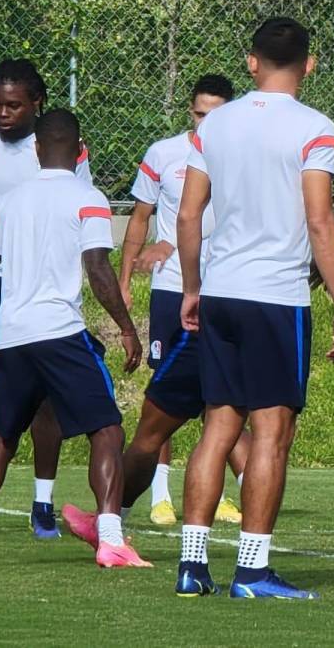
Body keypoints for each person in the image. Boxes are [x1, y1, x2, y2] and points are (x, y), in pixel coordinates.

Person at [173, 17, 334, 599]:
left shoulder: (215, 124)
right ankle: (251, 571)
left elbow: (187, 215)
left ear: (251, 63)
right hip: (275, 298)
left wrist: (193, 286)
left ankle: (191, 565)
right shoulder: (315, 127)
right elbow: (320, 220)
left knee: (217, 430)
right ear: (310, 63)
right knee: (271, 434)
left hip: (221, 292)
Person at [64, 76, 249, 537]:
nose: (209, 122)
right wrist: (126, 279)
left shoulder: (241, 158)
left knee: (210, 407)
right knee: (173, 405)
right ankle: (161, 497)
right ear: (191, 112)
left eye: (218, 114)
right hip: (174, 291)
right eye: (202, 114)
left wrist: (185, 244)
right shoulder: (164, 153)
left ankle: (238, 501)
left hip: (219, 292)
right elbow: (140, 219)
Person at [0, 109, 148, 567]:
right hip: (60, 333)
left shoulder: (7, 203)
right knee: (106, 429)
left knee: (3, 439)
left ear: (35, 149)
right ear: (79, 150)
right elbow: (98, 269)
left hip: (12, 334)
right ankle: (110, 537)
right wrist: (127, 328)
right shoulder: (87, 198)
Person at [0, 59, 92, 537]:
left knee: (45, 401)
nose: (3, 113)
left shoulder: (60, 148)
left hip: (43, 283)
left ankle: (42, 502)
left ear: (36, 104)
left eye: (14, 105)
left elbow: (78, 209)